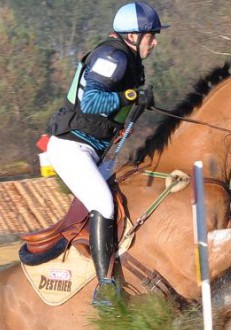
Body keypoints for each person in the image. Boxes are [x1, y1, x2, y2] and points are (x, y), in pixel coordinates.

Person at [44, 2, 166, 307]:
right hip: (71, 148)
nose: (156, 41)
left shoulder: (128, 60)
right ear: (133, 36)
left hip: (92, 150)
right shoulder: (112, 56)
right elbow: (92, 102)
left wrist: (135, 104)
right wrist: (131, 95)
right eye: (151, 35)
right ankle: (106, 287)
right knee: (102, 203)